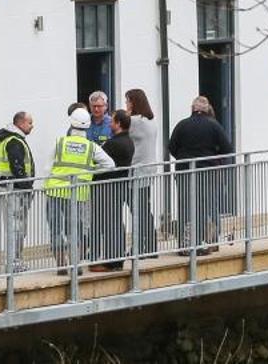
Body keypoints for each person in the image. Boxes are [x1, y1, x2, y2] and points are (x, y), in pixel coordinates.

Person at [43, 106, 111, 272]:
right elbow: (110, 165)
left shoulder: (59, 143)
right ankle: (76, 265)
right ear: (88, 126)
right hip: (78, 194)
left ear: (71, 124)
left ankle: (61, 266)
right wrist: (91, 171)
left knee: (56, 230)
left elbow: (46, 169)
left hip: (55, 192)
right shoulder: (91, 147)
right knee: (76, 230)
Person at [167, 95, 234, 253]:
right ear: (207, 109)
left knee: (185, 207)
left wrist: (183, 157)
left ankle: (184, 245)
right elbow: (227, 148)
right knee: (204, 206)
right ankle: (201, 243)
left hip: (184, 171)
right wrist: (214, 154)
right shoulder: (213, 125)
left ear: (192, 109)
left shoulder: (182, 125)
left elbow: (171, 147)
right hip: (206, 172)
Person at [93, 110, 135, 270]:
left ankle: (113, 262)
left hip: (109, 187)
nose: (110, 124)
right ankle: (115, 259)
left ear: (118, 124)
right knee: (115, 222)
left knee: (110, 223)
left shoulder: (114, 143)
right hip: (119, 186)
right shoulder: (128, 141)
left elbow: (97, 160)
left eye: (112, 121)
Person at [0, 111, 36, 270]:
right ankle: (14, 262)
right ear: (21, 123)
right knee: (16, 227)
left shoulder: (11, 139)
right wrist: (27, 187)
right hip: (15, 189)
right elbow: (17, 167)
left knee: (16, 226)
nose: (32, 126)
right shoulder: (14, 142)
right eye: (30, 123)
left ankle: (15, 260)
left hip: (10, 187)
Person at [124, 88, 160, 257]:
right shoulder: (150, 121)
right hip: (148, 169)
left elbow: (119, 125)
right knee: (144, 208)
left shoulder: (136, 121)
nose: (126, 105)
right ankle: (151, 245)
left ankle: (141, 246)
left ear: (133, 102)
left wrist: (125, 113)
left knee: (138, 210)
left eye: (127, 101)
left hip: (137, 171)